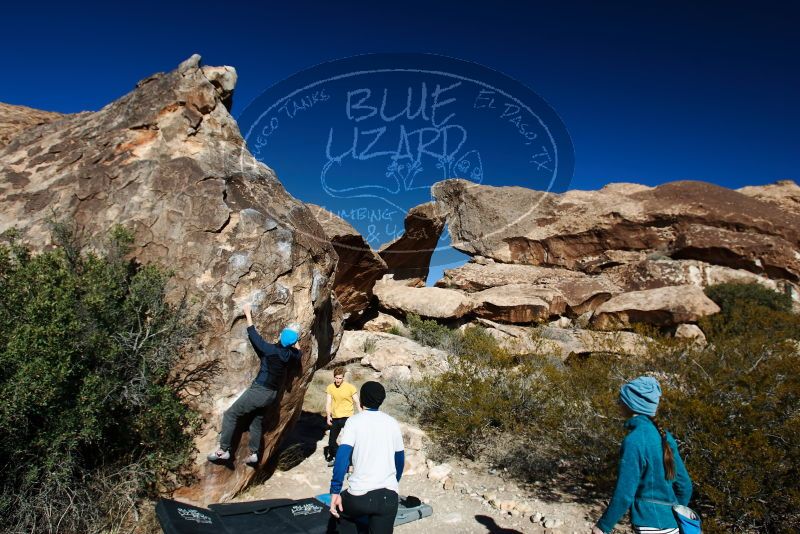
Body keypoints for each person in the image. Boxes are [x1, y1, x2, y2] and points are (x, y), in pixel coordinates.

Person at [592, 376, 693, 534]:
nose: (618, 403)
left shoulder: (634, 441)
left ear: (632, 404)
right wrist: (672, 512)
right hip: (672, 526)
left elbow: (625, 493)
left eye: (621, 399)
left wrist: (603, 526)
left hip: (649, 526)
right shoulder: (666, 437)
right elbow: (685, 486)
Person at [207, 303, 301, 465]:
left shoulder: (270, 350)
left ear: (280, 337)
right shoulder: (291, 355)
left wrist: (248, 314)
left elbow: (254, 336)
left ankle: (223, 450)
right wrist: (295, 339)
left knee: (231, 414)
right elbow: (299, 352)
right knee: (255, 420)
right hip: (271, 395)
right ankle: (255, 453)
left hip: (260, 390)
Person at [329, 381, 405, 534]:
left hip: (359, 496)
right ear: (382, 400)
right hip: (388, 496)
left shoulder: (354, 422)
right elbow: (400, 461)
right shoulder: (392, 423)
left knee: (339, 508)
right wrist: (392, 483)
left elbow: (342, 458)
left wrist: (335, 491)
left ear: (361, 400)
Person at [325, 367, 361, 466]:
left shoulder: (350, 387)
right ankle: (336, 458)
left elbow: (357, 402)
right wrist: (328, 416)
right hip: (335, 417)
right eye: (336, 378)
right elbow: (328, 403)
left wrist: (362, 414)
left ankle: (350, 463)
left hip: (348, 418)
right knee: (332, 442)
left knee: (348, 441)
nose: (338, 380)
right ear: (334, 378)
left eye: (340, 378)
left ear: (343, 378)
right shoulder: (330, 388)